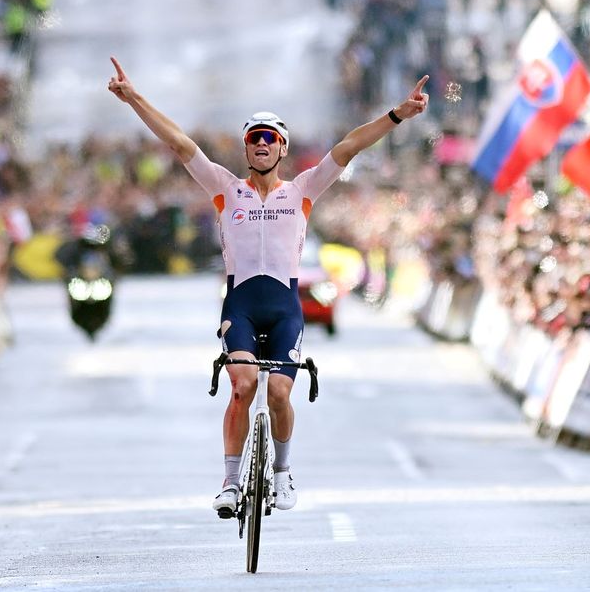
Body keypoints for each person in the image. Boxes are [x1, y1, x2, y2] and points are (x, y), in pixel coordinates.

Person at [106, 56, 429, 517]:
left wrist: (399, 114)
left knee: (277, 392)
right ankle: (230, 482)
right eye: (253, 139)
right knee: (242, 385)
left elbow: (349, 146)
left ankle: (282, 473)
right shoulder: (224, 188)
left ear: (282, 149)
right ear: (246, 149)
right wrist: (133, 96)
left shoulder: (302, 191)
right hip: (240, 304)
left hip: (283, 308)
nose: (260, 144)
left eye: (270, 138)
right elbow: (179, 144)